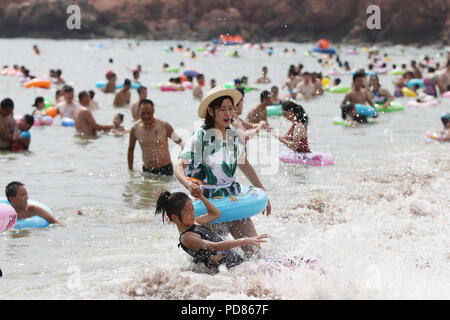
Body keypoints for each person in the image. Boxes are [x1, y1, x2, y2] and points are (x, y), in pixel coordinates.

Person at [174, 86, 271, 256]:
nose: (228, 114)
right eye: (222, 109)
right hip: (208, 203)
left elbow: (244, 164)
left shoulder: (233, 134)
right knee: (214, 263)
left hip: (232, 198)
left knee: (255, 253)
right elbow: (179, 166)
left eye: (230, 108)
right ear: (211, 111)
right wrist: (188, 185)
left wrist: (263, 191)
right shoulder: (201, 135)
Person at [155, 191, 268, 273]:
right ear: (175, 217)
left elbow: (215, 214)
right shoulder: (187, 238)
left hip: (235, 263)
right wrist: (243, 241)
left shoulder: (196, 222)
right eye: (188, 211)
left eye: (192, 209)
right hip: (225, 271)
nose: (192, 213)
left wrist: (200, 196)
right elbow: (216, 247)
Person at [128, 99, 185, 176]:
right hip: (147, 171)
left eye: (149, 113)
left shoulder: (164, 126)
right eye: (143, 113)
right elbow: (130, 150)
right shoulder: (135, 129)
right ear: (138, 111)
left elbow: (180, 143)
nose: (146, 116)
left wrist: (183, 164)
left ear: (153, 111)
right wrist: (130, 171)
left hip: (165, 170)